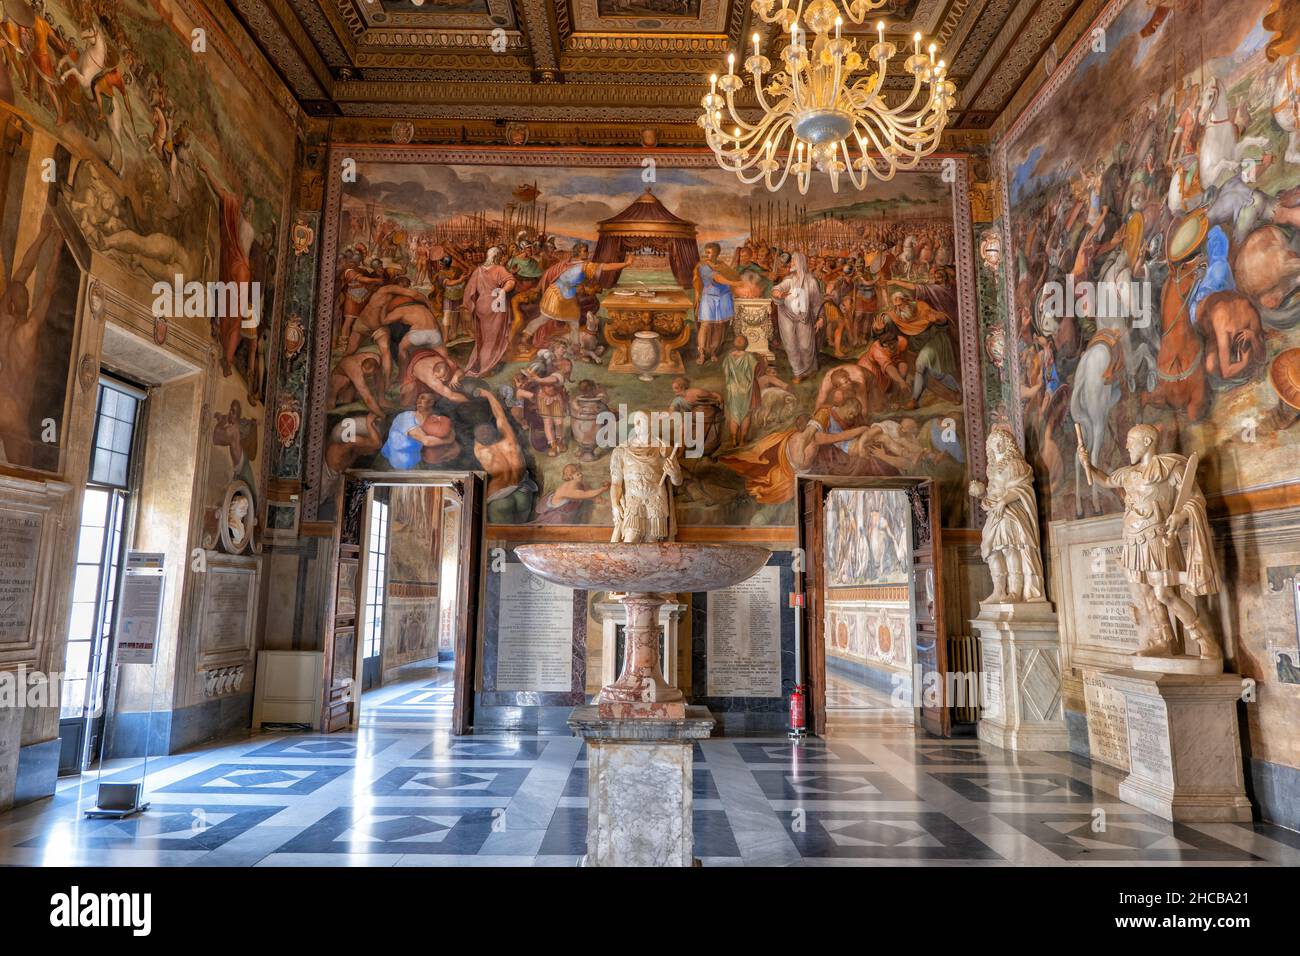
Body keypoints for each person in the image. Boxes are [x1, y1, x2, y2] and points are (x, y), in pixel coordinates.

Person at [1076, 424, 1222, 658]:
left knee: (1165, 593)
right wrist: (1087, 463)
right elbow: (1104, 481)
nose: (1126, 446)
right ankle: (1164, 640)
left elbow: (1196, 499)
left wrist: (1180, 515)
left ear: (1147, 442)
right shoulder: (1128, 473)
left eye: (1130, 441)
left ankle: (1205, 639)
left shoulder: (1170, 468)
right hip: (1133, 539)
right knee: (1146, 593)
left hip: (1157, 536)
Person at [462, 247, 517, 376]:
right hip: (496, 304)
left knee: (484, 337)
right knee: (492, 338)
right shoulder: (499, 269)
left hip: (482, 305)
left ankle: (480, 362)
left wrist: (470, 306)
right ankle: (485, 367)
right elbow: (511, 282)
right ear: (497, 256)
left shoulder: (478, 270)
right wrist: (502, 291)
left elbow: (469, 292)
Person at [771, 251, 823, 383]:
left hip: (804, 317)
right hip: (786, 315)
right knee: (790, 344)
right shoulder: (789, 279)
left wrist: (820, 318)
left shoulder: (811, 281)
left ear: (800, 263)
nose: (791, 264)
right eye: (791, 261)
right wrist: (777, 291)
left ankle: (808, 369)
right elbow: (780, 287)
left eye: (793, 261)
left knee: (805, 345)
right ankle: (798, 372)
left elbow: (817, 303)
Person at [693, 242, 740, 365]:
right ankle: (702, 353)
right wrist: (736, 284)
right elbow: (717, 278)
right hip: (709, 298)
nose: (707, 254)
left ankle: (714, 351)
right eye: (706, 252)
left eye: (709, 252)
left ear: (716, 253)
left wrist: (737, 282)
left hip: (724, 297)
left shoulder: (722, 265)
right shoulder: (703, 266)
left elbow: (734, 275)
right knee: (705, 325)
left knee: (720, 326)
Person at [534, 464, 609, 524]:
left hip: (567, 514)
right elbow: (585, 494)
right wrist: (602, 489)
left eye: (580, 473)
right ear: (570, 476)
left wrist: (601, 499)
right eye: (578, 474)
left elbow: (591, 494)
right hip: (555, 516)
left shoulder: (581, 483)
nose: (581, 475)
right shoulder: (566, 489)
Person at [722, 335, 760, 446]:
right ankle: (742, 440)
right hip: (746, 389)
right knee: (746, 415)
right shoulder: (749, 357)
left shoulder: (728, 357)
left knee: (734, 415)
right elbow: (756, 370)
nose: (738, 340)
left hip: (733, 390)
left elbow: (726, 373)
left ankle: (734, 439)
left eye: (741, 339)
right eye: (738, 339)